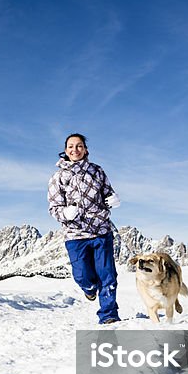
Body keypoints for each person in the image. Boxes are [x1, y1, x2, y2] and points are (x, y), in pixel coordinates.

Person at [47, 133, 121, 324]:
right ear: (65, 151)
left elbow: (108, 193)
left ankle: (109, 314)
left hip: (101, 230)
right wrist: (65, 214)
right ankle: (89, 289)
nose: (75, 150)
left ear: (85, 149)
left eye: (79, 146)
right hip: (75, 234)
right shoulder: (58, 177)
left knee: (107, 274)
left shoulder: (96, 171)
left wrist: (113, 199)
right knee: (81, 276)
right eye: (71, 146)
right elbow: (54, 208)